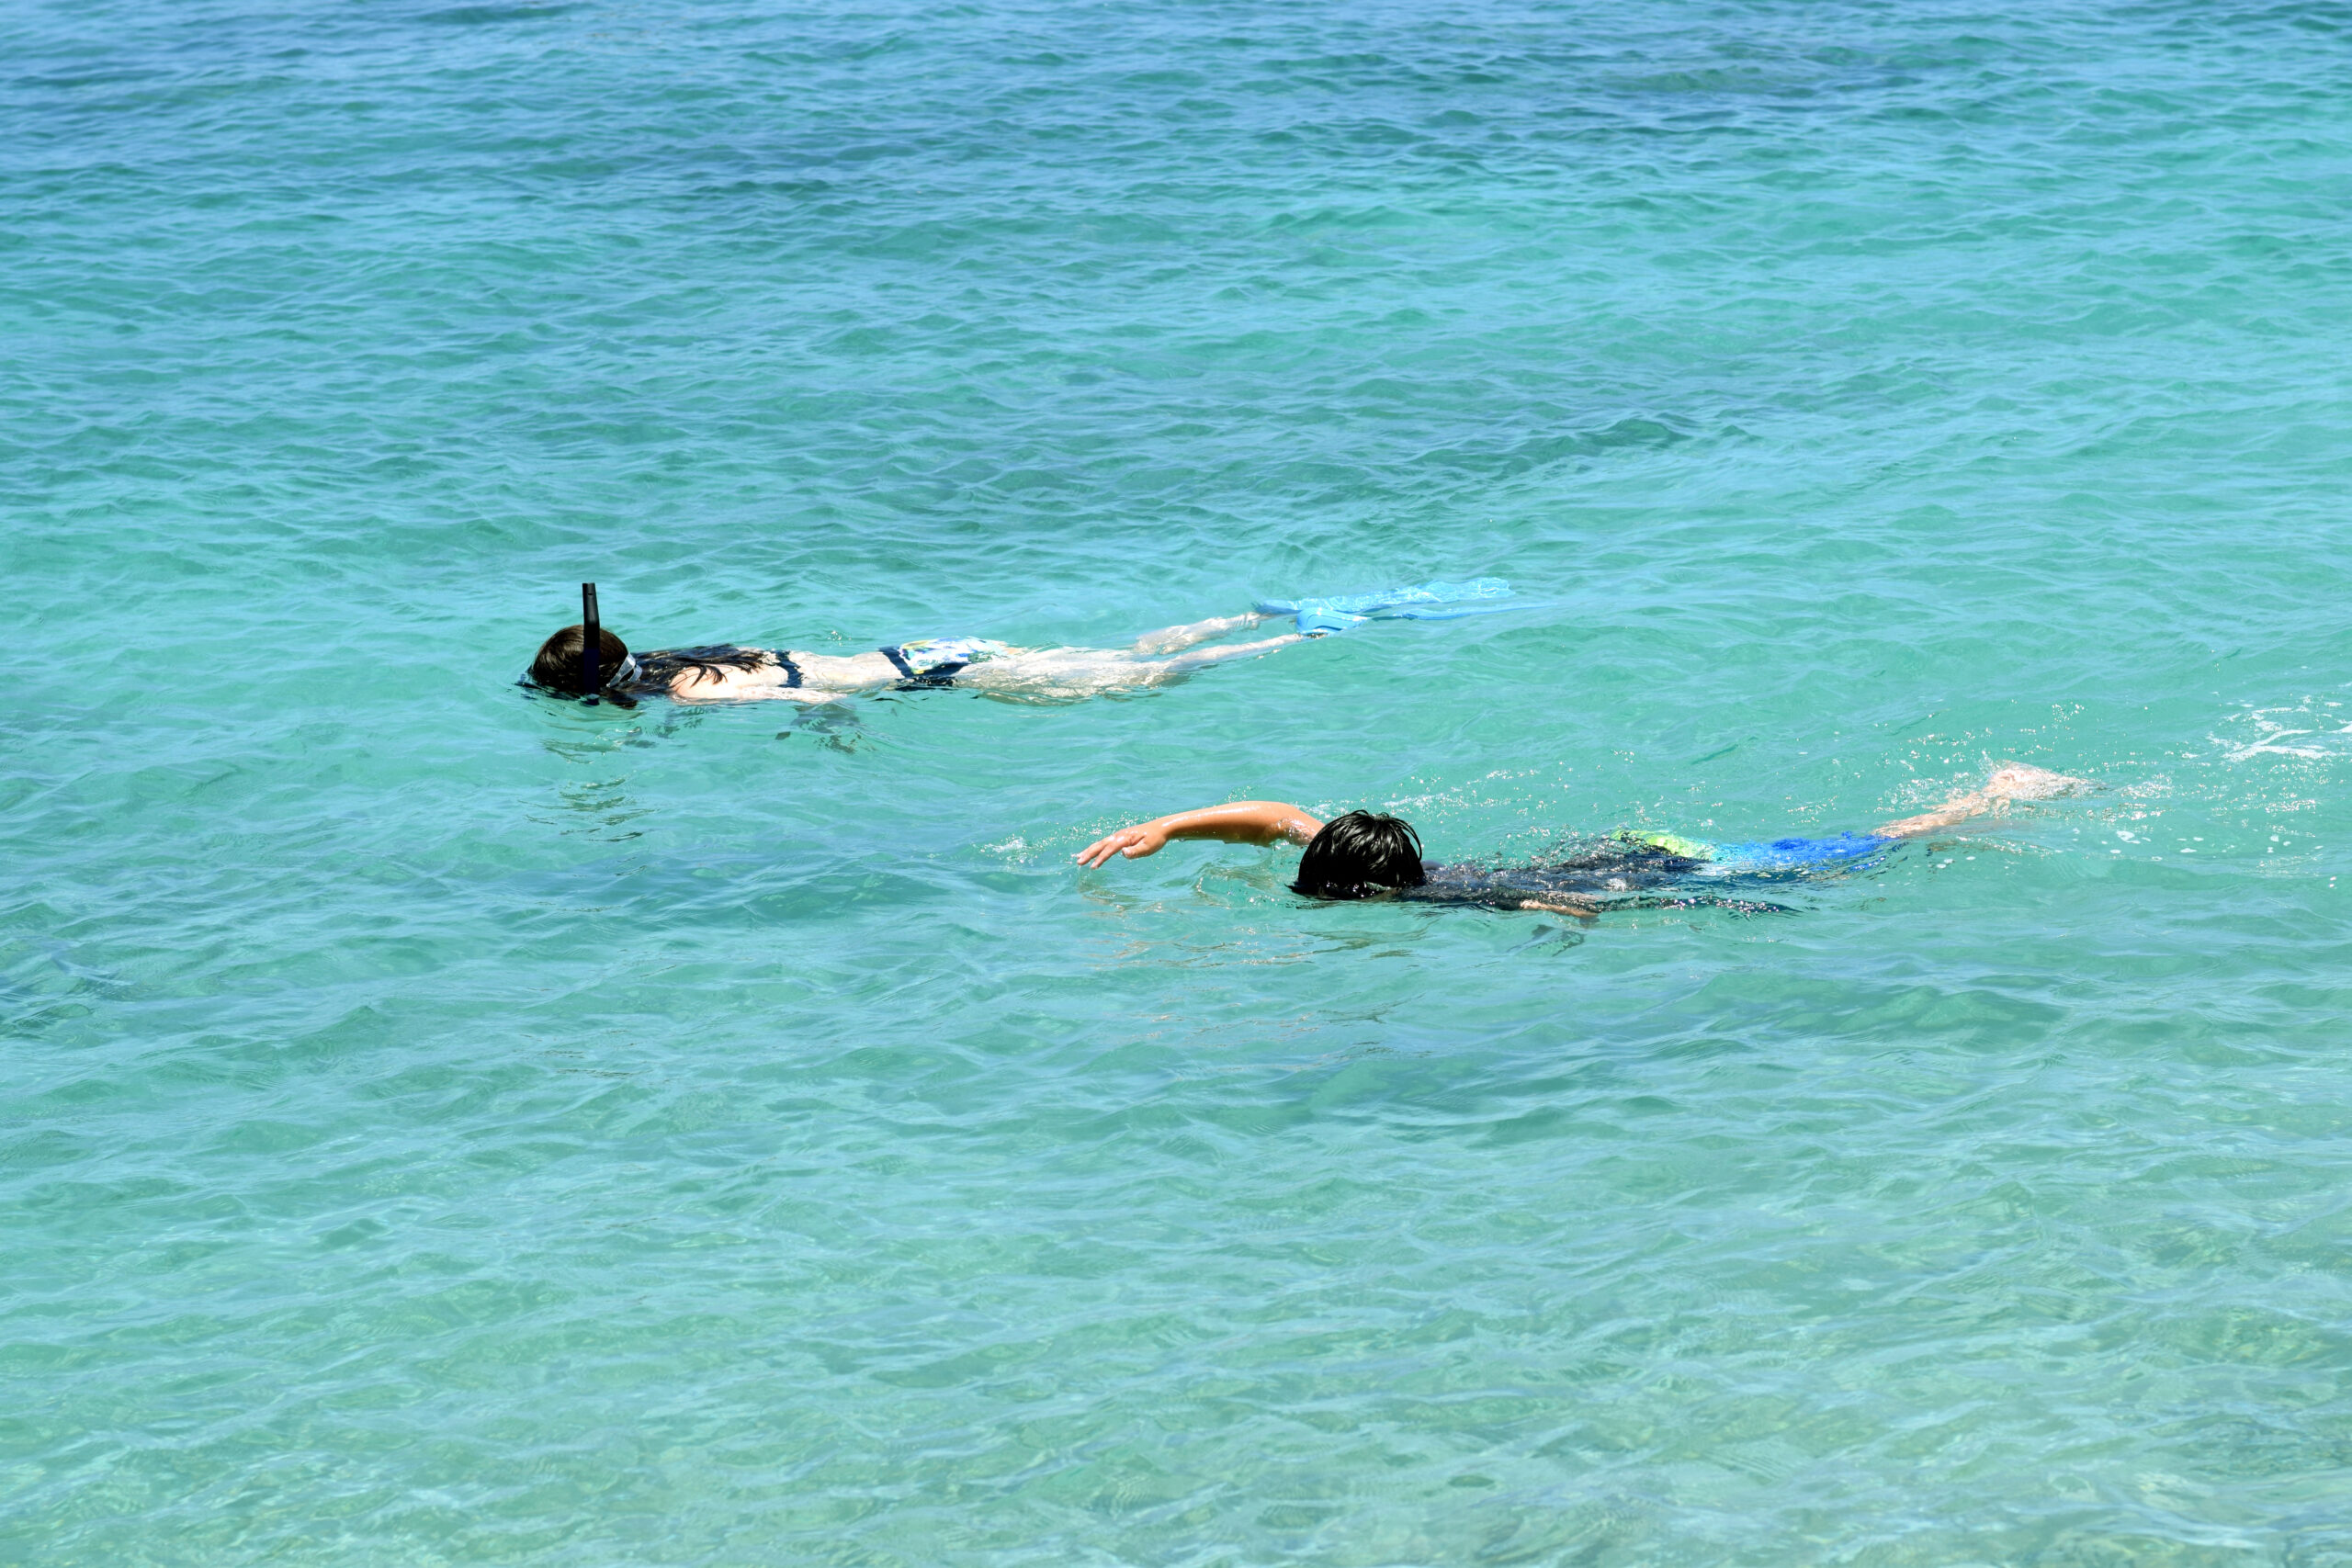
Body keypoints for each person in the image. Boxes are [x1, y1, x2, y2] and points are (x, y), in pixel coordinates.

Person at [1071, 763, 2091, 916]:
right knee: (1831, 852)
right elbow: (1281, 816)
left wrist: (1579, 919)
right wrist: (1163, 825)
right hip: (1630, 841)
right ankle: (1962, 814)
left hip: (1664, 865)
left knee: (1852, 854)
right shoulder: (1405, 865)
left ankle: (1988, 799)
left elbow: (1561, 904)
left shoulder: (1439, 900)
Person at [526, 611, 1307, 705]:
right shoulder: (694, 656)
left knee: (1143, 679)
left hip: (940, 677)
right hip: (920, 647)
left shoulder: (694, 695)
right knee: (1122, 654)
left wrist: (832, 736)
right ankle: (1244, 617)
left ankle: (1286, 638)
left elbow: (817, 700)